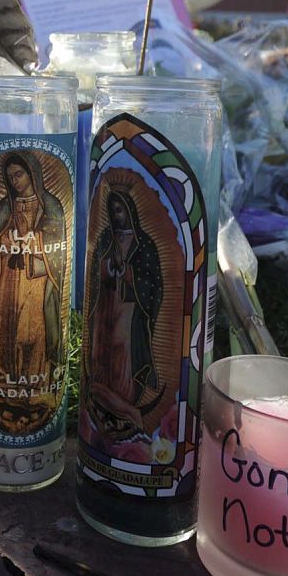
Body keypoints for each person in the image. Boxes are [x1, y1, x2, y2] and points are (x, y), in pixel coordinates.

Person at [0, 153, 66, 424]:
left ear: (32, 174)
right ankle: (3, 387)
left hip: (36, 281)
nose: (15, 181)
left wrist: (32, 240)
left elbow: (55, 238)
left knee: (31, 332)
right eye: (10, 176)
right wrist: (8, 240)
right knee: (3, 328)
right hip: (6, 280)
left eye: (20, 174)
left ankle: (34, 389)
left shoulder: (49, 205)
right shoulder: (4, 207)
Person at [85, 186, 164, 443]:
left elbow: (154, 282)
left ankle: (124, 400)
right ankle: (103, 397)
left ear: (130, 211)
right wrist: (108, 267)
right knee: (103, 350)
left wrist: (130, 275)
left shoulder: (144, 243)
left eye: (120, 210)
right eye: (112, 210)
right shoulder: (107, 237)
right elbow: (97, 268)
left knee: (122, 350)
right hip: (106, 304)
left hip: (130, 309)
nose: (116, 215)